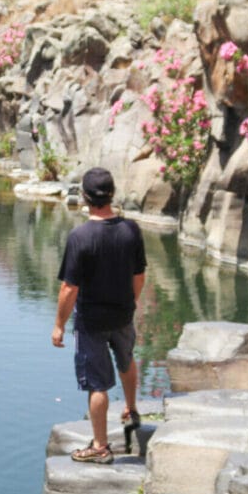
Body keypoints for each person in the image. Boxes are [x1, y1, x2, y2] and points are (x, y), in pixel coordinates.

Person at [50, 167, 146, 464]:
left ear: (85, 197)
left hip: (91, 321)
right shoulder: (131, 230)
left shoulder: (80, 236)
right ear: (112, 194)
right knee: (126, 360)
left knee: (97, 384)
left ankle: (101, 446)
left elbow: (69, 289)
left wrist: (59, 325)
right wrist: (129, 304)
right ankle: (130, 408)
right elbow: (139, 275)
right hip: (123, 315)